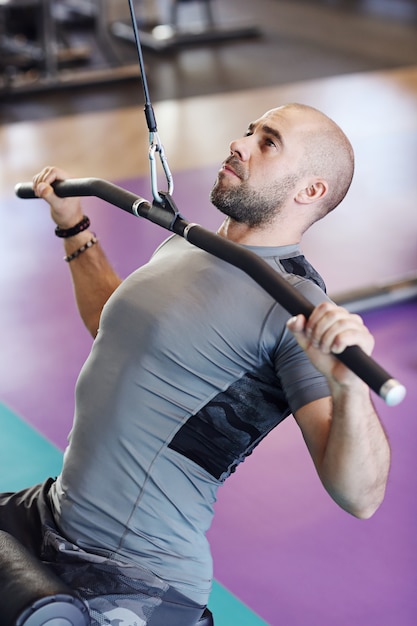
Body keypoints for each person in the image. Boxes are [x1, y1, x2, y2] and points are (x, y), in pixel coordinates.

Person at [1, 103, 390, 625]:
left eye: (267, 142)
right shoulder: (192, 245)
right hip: (54, 511)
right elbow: (112, 329)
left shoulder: (295, 306)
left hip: (134, 572)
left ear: (310, 190)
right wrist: (74, 226)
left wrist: (348, 389)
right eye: (249, 130)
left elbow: (361, 497)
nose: (239, 143)